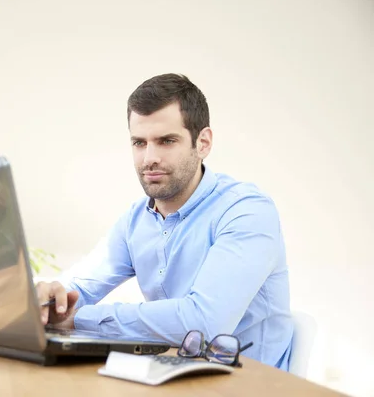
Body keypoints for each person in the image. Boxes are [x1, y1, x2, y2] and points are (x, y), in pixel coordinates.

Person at [35, 73, 293, 370]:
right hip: (171, 375)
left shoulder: (246, 211)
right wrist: (49, 302)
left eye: (166, 141)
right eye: (139, 143)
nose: (149, 158)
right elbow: (76, 289)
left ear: (204, 142)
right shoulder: (135, 221)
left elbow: (204, 323)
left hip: (250, 384)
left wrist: (76, 319)